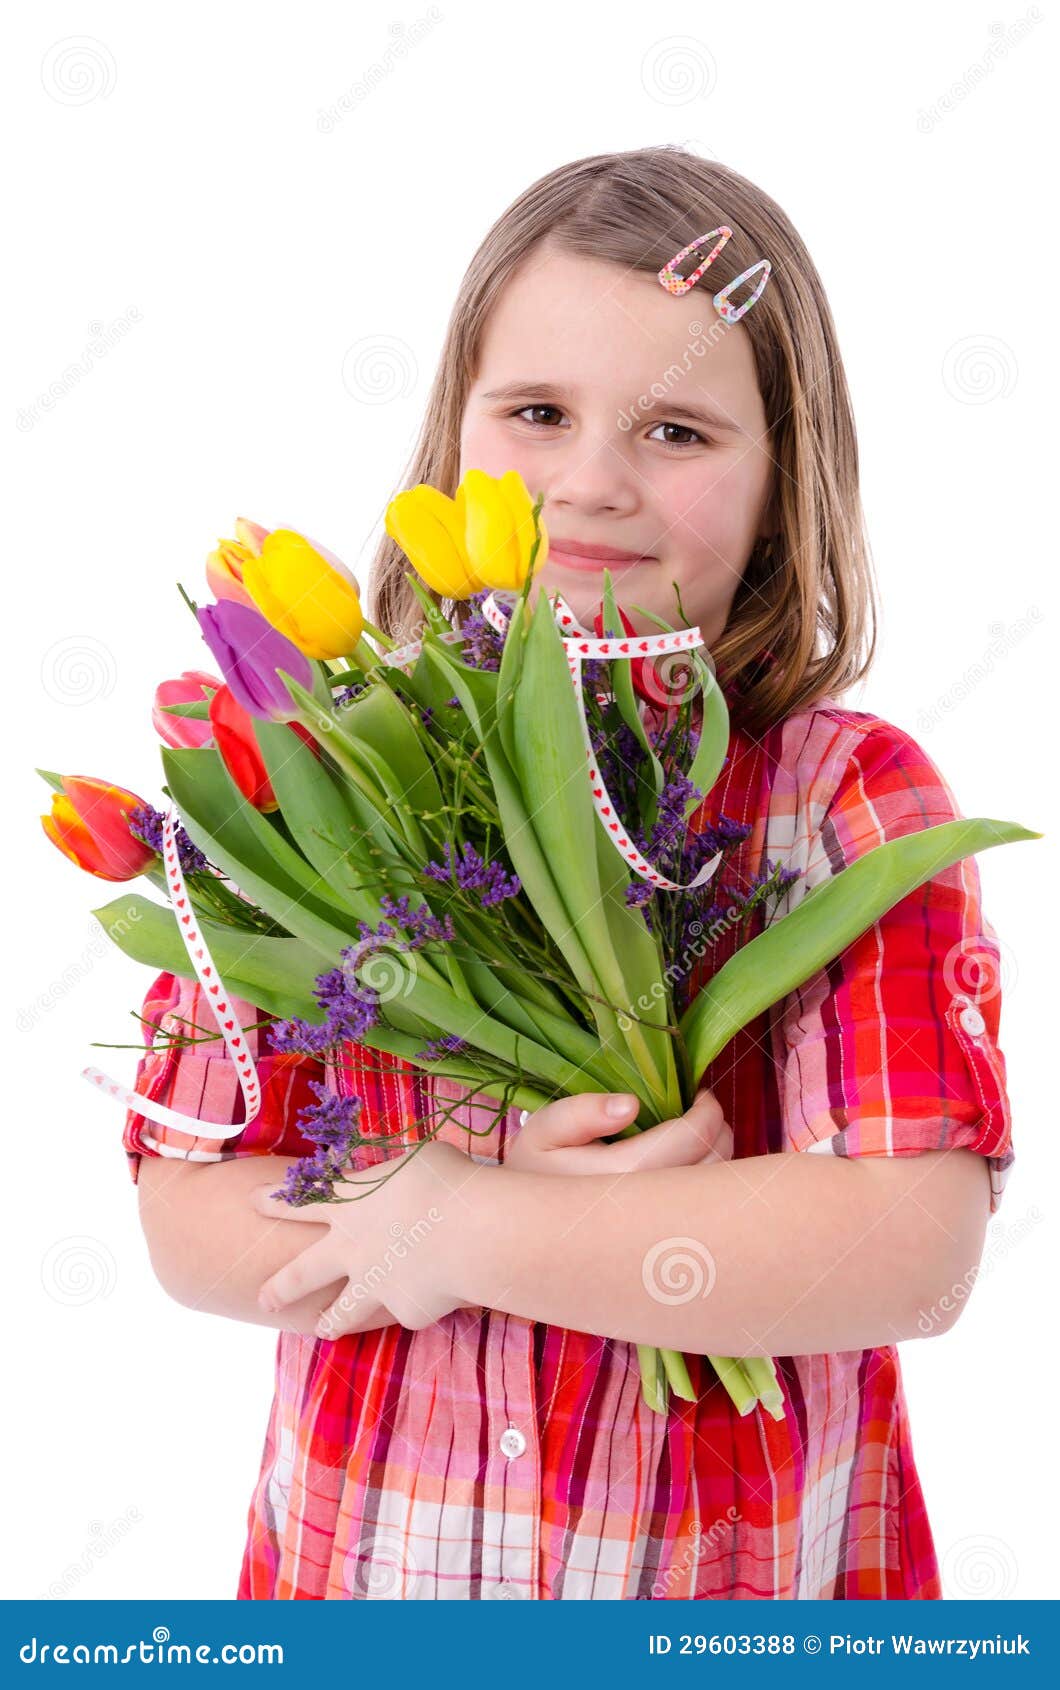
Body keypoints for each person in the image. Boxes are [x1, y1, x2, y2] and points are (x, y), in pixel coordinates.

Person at [124, 146, 1015, 1600]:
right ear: (449, 444)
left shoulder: (835, 798)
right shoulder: (322, 779)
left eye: (676, 429)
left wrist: (473, 1227)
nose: (591, 483)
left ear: (786, 484)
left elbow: (911, 1249)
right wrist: (428, 1206)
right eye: (536, 413)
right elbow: (187, 1212)